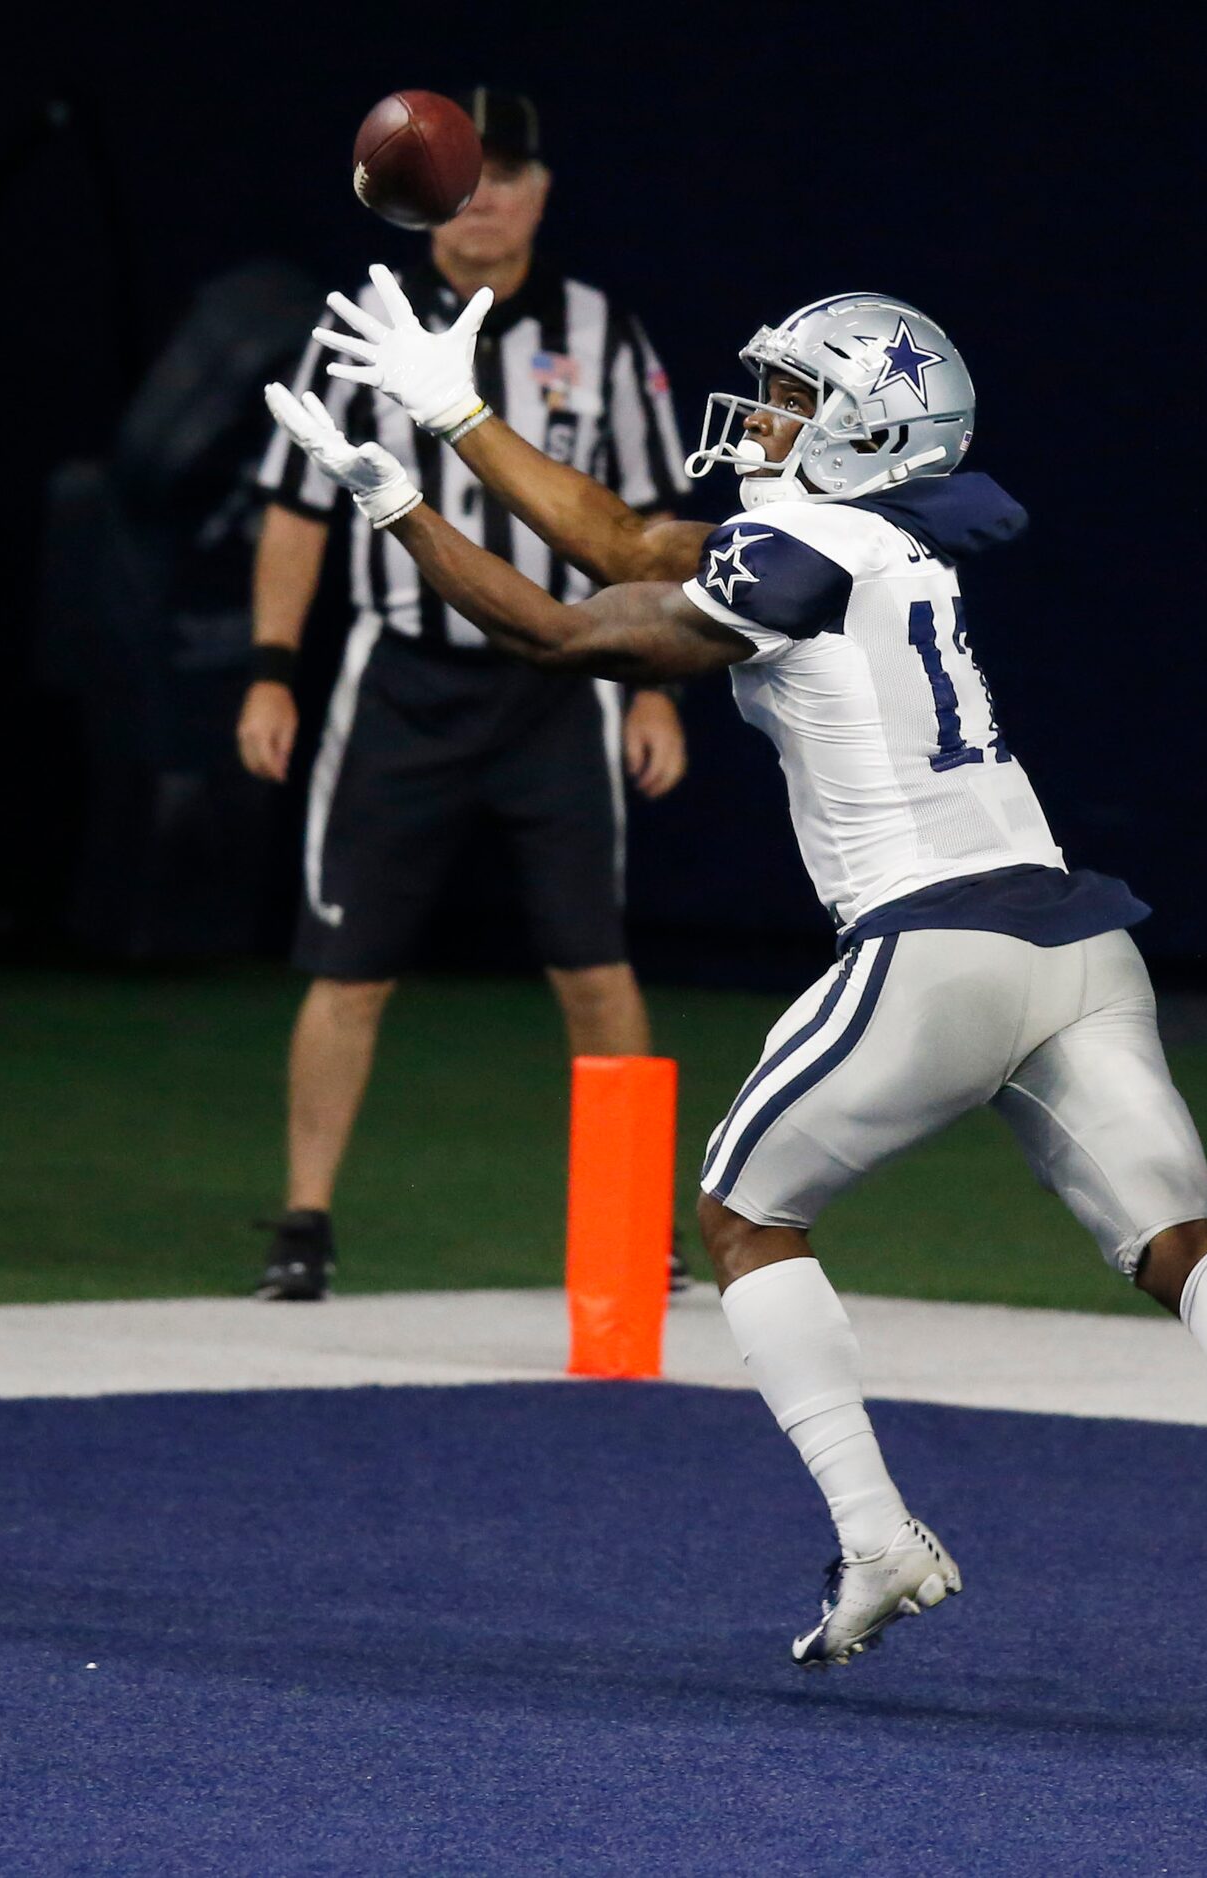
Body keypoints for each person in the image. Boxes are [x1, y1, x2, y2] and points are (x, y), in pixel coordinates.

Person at [260, 289, 1207, 1676]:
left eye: (794, 398)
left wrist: (400, 498)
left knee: (742, 1216)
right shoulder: (870, 541)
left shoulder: (802, 543)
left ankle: (876, 1533)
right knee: (1176, 1236)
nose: (763, 417)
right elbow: (619, 541)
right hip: (1077, 940)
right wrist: (461, 421)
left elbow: (563, 635)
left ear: (865, 431)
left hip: (934, 941)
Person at [240, 90, 692, 1299]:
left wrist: (653, 688)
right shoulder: (365, 322)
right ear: (414, 191)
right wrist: (273, 669)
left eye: (508, 172)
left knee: (593, 964)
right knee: (352, 965)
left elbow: (646, 529)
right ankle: (303, 1219)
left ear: (542, 191)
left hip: (564, 681)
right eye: (464, 172)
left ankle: (634, 1226)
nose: (484, 193)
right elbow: (294, 506)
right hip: (403, 677)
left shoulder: (601, 329)